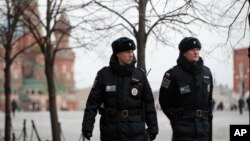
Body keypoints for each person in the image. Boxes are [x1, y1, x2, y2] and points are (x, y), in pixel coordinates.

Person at [82, 37, 159, 141]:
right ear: (117, 54)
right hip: (111, 132)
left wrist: (153, 127)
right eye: (127, 52)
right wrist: (87, 126)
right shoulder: (104, 75)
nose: (131, 54)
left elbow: (149, 103)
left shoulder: (140, 75)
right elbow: (92, 103)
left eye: (132, 51)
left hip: (135, 132)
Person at [159, 37, 213, 141]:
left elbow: (209, 102)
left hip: (204, 130)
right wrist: (176, 120)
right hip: (183, 130)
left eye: (197, 49)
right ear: (184, 52)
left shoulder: (207, 73)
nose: (196, 52)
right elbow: (164, 101)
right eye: (192, 49)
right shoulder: (171, 74)